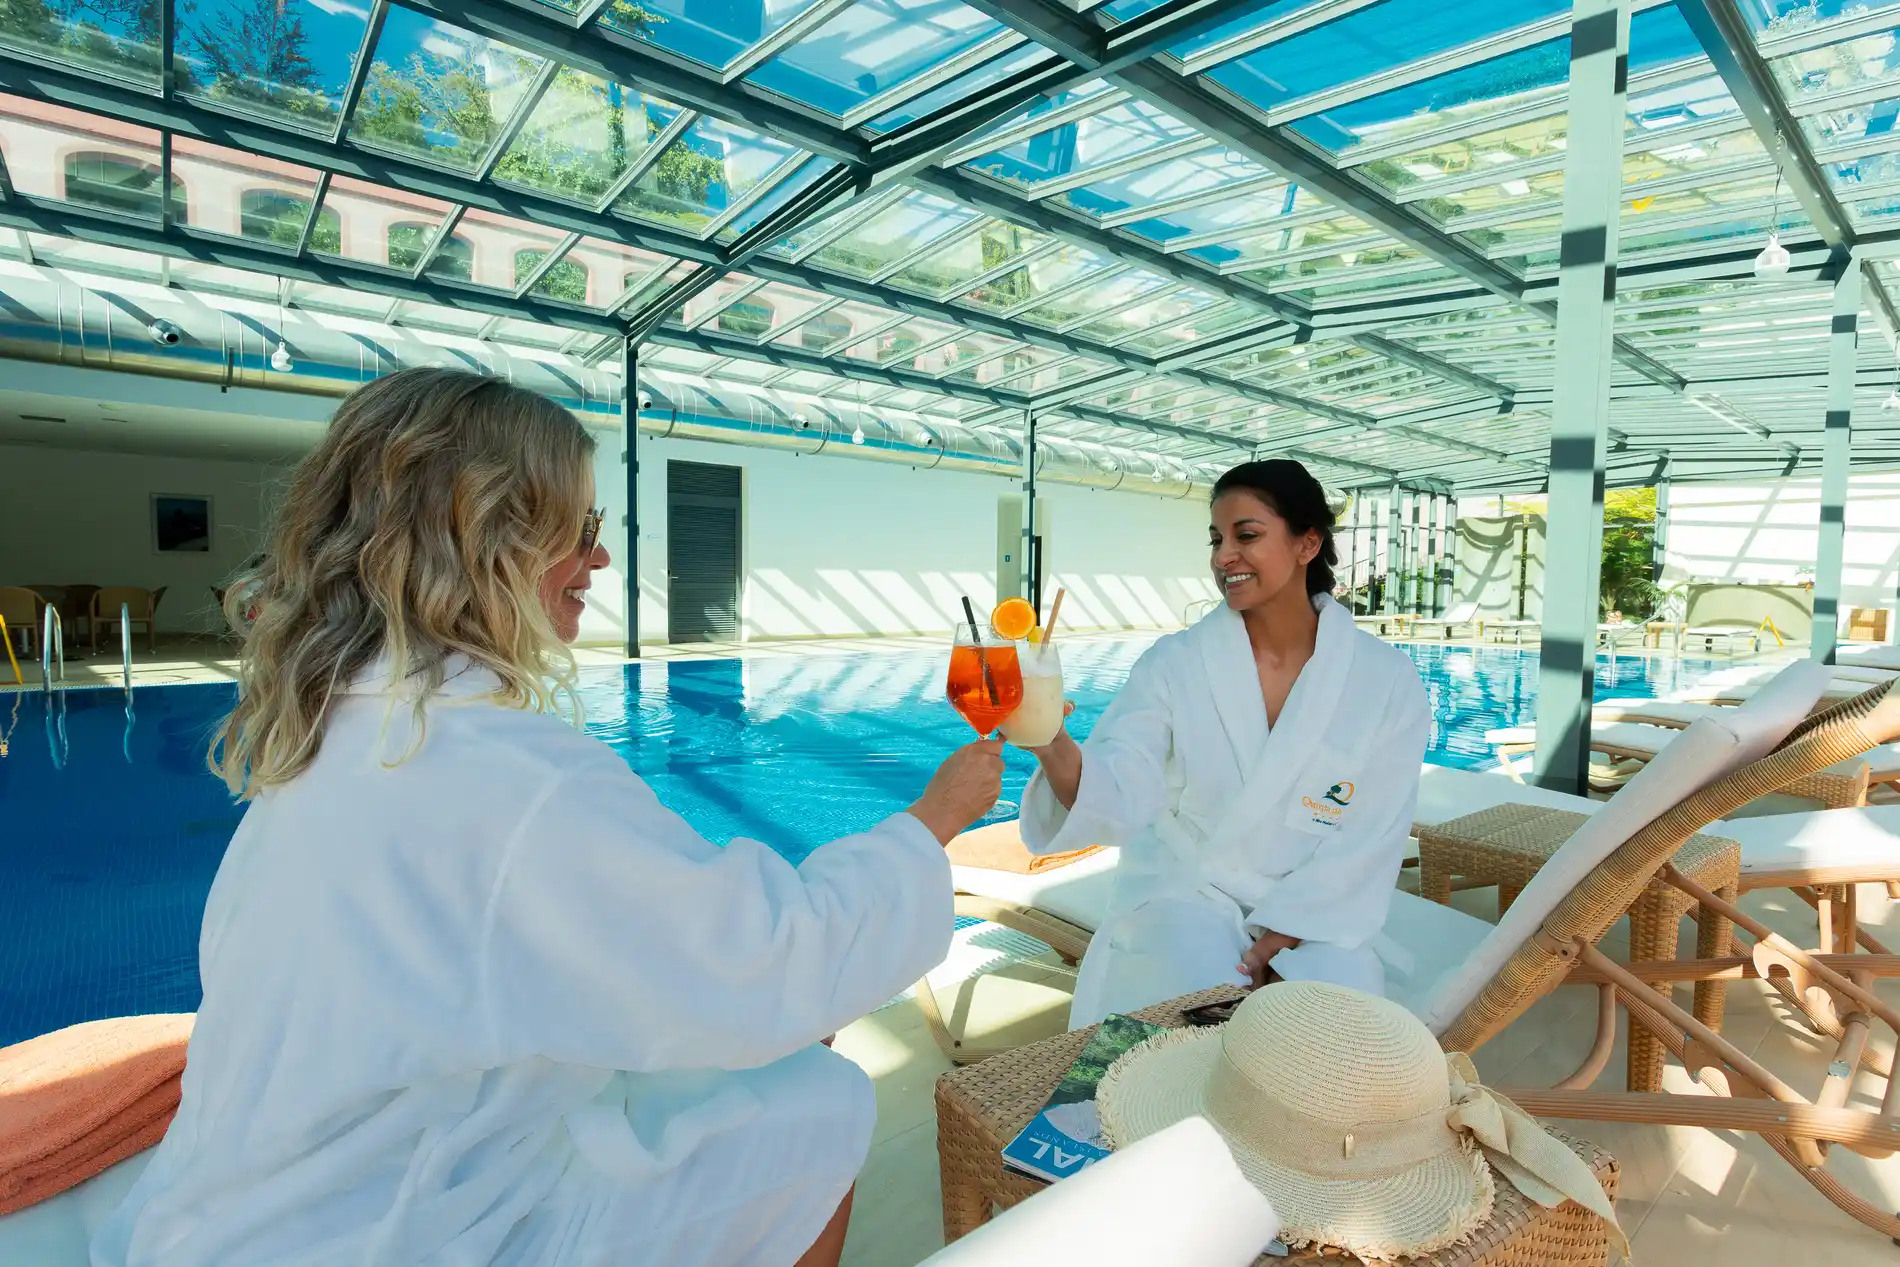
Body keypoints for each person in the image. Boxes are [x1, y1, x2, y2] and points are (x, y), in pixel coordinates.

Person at [90, 369, 1003, 1267]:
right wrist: (933, 818)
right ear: (487, 534)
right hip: (389, 1228)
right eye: (583, 528)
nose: (601, 559)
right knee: (819, 1103)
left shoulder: (334, 737)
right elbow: (769, 960)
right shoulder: (508, 780)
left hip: (256, 1202)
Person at [1018, 459, 1430, 1027]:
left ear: (1308, 543)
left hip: (1317, 908)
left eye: (1247, 535)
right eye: (1216, 539)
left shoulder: (1385, 679)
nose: (1222, 556)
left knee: (1338, 1031)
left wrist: (1286, 932)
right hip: (1185, 892)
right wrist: (1047, 739)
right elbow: (1120, 785)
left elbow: (1374, 831)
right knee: (1192, 1007)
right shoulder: (1175, 664)